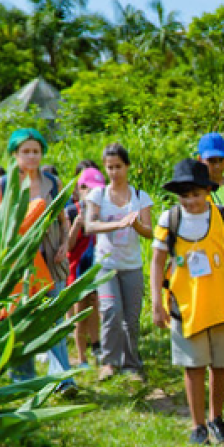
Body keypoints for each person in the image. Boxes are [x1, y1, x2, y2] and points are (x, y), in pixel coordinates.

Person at [151, 159, 224, 446]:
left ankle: (216, 418)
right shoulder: (170, 219)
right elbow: (157, 262)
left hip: (221, 303)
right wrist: (156, 302)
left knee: (222, 364)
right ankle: (198, 424)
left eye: (196, 194)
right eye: (185, 195)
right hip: (186, 306)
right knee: (194, 366)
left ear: (208, 191)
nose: (191, 201)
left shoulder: (222, 216)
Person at [0, 127, 76, 394]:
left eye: (36, 151)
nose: (32, 156)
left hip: (50, 258)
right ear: (15, 154)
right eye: (26, 151)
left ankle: (63, 380)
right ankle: (22, 381)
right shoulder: (2, 185)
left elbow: (63, 220)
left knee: (55, 319)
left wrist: (64, 244)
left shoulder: (52, 183)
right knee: (19, 321)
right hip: (17, 264)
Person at [84, 142, 153, 379]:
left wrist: (136, 225)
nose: (114, 172)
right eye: (110, 167)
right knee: (111, 311)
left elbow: (149, 232)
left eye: (118, 166)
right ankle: (109, 362)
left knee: (131, 319)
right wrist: (117, 224)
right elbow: (89, 225)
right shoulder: (98, 195)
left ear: (127, 166)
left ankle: (131, 364)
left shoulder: (140, 197)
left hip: (132, 265)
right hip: (106, 265)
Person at [66, 166, 104, 367]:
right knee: (80, 313)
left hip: (96, 268)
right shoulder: (72, 212)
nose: (92, 193)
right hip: (77, 270)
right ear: (80, 189)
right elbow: (67, 247)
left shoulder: (101, 211)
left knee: (94, 309)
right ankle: (81, 357)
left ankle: (96, 345)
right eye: (88, 188)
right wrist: (77, 225)